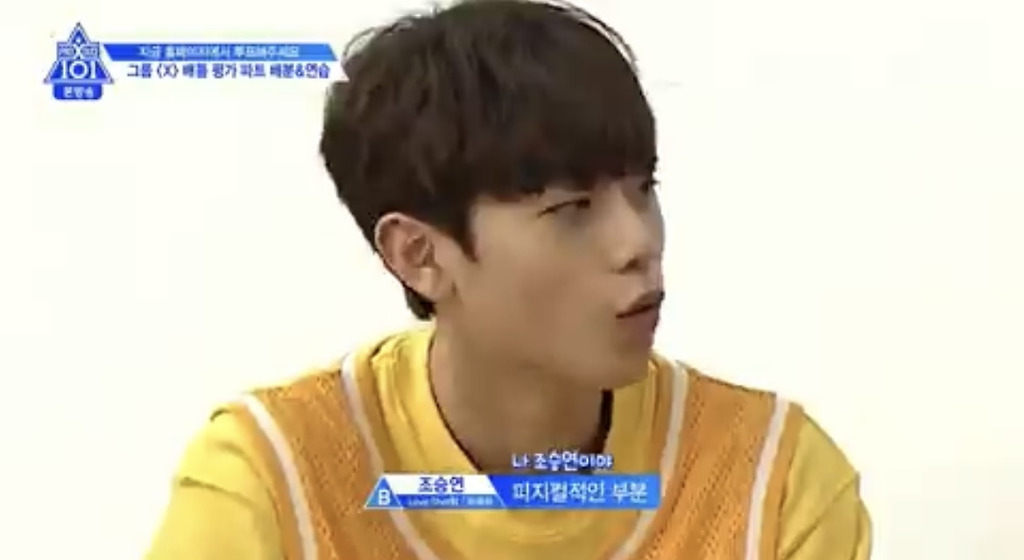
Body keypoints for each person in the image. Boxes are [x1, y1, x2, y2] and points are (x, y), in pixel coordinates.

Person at [145, 1, 871, 558]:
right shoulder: (270, 483)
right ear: (419, 255)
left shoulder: (773, 482)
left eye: (642, 188)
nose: (639, 242)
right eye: (571, 209)